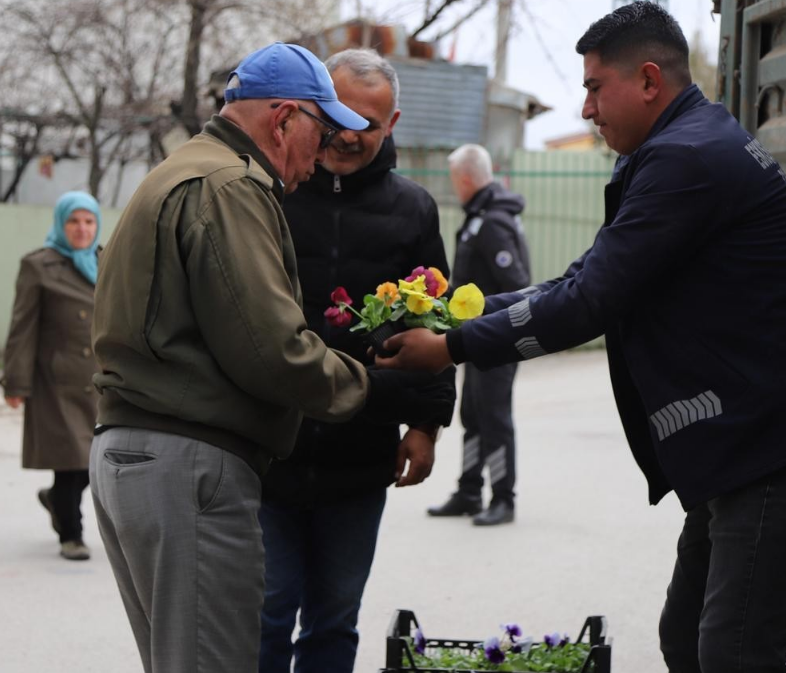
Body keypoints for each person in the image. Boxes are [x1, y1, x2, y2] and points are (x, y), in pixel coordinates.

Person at [378, 2, 786, 672]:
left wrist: (449, 348)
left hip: (783, 442)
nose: (586, 109)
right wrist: (456, 317)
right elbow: (582, 278)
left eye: (594, 87)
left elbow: (589, 302)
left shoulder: (688, 159)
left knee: (735, 655)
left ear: (648, 80)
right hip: (747, 443)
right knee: (687, 640)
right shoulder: (676, 151)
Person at [89, 42, 454, 673]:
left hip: (144, 447)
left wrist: (423, 415)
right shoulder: (233, 187)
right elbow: (274, 352)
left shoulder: (185, 169)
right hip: (194, 460)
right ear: (284, 120)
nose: (324, 152)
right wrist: (385, 393)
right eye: (322, 128)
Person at [257, 48, 454, 673]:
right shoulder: (269, 193)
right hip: (266, 448)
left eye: (366, 122)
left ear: (391, 124)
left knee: (335, 620)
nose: (347, 133)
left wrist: (426, 426)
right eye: (337, 115)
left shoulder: (414, 210)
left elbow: (436, 322)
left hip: (360, 451)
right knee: (264, 611)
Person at [426, 144, 530, 527]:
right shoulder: (480, 217)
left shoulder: (492, 223)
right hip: (475, 339)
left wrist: (484, 313)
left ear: (465, 178)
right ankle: (469, 491)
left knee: (495, 418)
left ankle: (503, 498)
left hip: (497, 341)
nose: (455, 187)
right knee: (472, 414)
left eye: (455, 180)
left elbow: (517, 282)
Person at [0, 190, 101, 562]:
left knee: (97, 459)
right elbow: (22, 328)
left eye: (88, 221)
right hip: (56, 381)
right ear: (61, 224)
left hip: (100, 382)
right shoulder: (38, 266)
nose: (81, 229)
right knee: (71, 459)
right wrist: (15, 383)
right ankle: (71, 535)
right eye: (73, 221)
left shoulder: (108, 262)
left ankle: (55, 501)